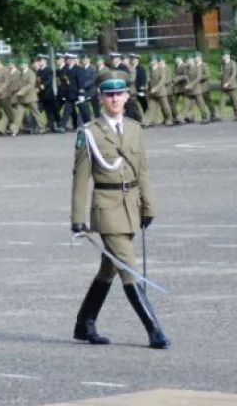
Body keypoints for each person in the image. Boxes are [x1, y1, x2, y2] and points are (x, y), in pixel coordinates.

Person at [70, 71, 169, 350]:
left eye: (119, 94)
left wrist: (149, 205)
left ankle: (84, 323)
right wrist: (77, 219)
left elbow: (143, 171)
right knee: (129, 268)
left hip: (132, 205)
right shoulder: (89, 133)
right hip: (107, 208)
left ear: (127, 96)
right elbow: (80, 178)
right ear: (100, 98)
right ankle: (154, 329)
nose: (114, 99)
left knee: (109, 269)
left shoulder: (135, 128)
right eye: (108, 94)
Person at [219, 50, 237, 121]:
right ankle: (221, 116)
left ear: (228, 56)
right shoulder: (222, 64)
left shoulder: (233, 63)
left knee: (235, 102)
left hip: (232, 86)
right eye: (222, 55)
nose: (223, 57)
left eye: (224, 55)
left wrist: (228, 83)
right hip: (224, 87)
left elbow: (234, 74)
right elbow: (222, 74)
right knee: (222, 102)